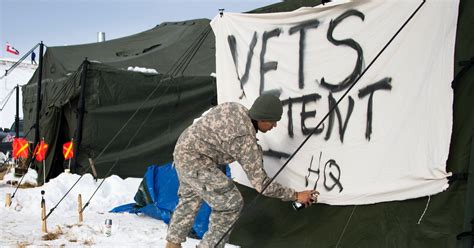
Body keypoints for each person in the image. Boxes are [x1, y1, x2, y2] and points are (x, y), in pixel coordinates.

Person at [166, 94, 318, 248]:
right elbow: (262, 185)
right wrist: (296, 195)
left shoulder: (235, 107)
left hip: (183, 149)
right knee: (231, 204)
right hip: (197, 161)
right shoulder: (245, 140)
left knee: (190, 199)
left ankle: (172, 244)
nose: (274, 126)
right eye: (273, 122)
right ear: (263, 119)